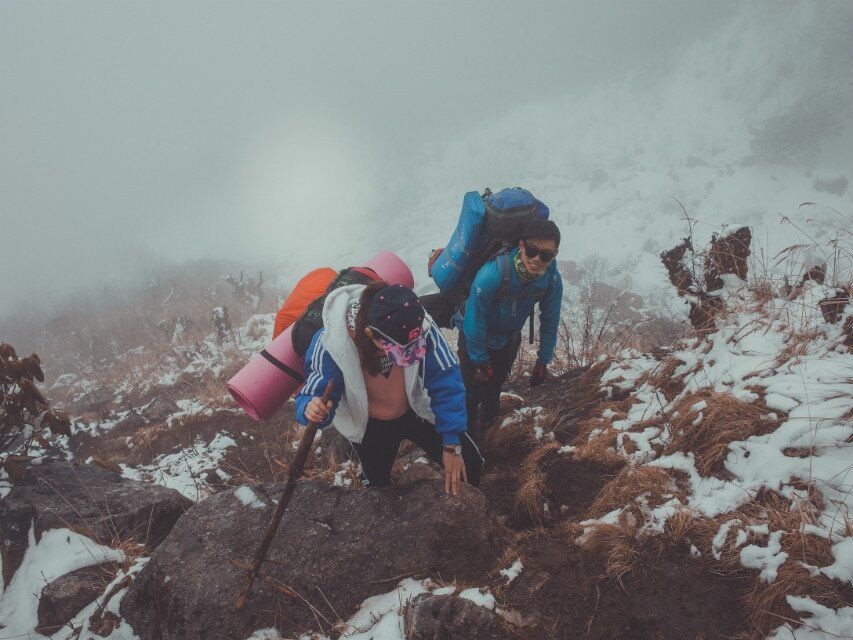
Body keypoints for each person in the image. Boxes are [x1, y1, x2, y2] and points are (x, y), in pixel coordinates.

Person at [294, 281, 483, 495]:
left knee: (470, 463)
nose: (405, 356)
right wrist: (311, 408)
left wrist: (451, 445)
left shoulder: (418, 326)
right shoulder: (332, 343)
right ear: (371, 334)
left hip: (416, 409)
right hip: (371, 424)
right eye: (395, 349)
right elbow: (314, 391)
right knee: (378, 488)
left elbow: (446, 380)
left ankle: (475, 512)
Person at [455, 218, 564, 440]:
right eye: (532, 250)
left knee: (495, 384)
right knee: (471, 393)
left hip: (507, 338)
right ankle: (467, 442)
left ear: (555, 253)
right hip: (474, 338)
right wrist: (480, 361)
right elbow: (474, 321)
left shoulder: (551, 278)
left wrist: (543, 361)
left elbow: (550, 318)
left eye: (546, 255)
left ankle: (488, 425)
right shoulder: (492, 274)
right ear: (522, 245)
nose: (537, 259)